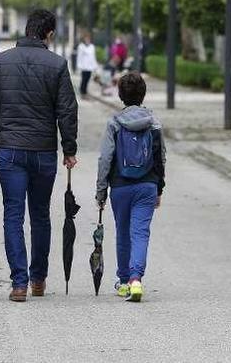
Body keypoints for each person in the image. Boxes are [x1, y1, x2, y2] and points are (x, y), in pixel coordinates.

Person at [0, 8, 78, 302]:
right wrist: (69, 148)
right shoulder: (57, 64)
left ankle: (19, 283)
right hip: (44, 151)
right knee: (41, 216)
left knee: (13, 215)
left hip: (9, 151)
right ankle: (38, 280)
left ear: (26, 30)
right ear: (49, 34)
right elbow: (67, 111)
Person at [95, 73, 165, 302]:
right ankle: (136, 279)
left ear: (121, 95)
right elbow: (160, 157)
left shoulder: (114, 123)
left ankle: (124, 281)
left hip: (121, 186)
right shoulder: (153, 122)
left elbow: (106, 158)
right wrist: (159, 188)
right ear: (143, 94)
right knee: (141, 232)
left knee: (123, 232)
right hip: (147, 185)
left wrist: (101, 190)